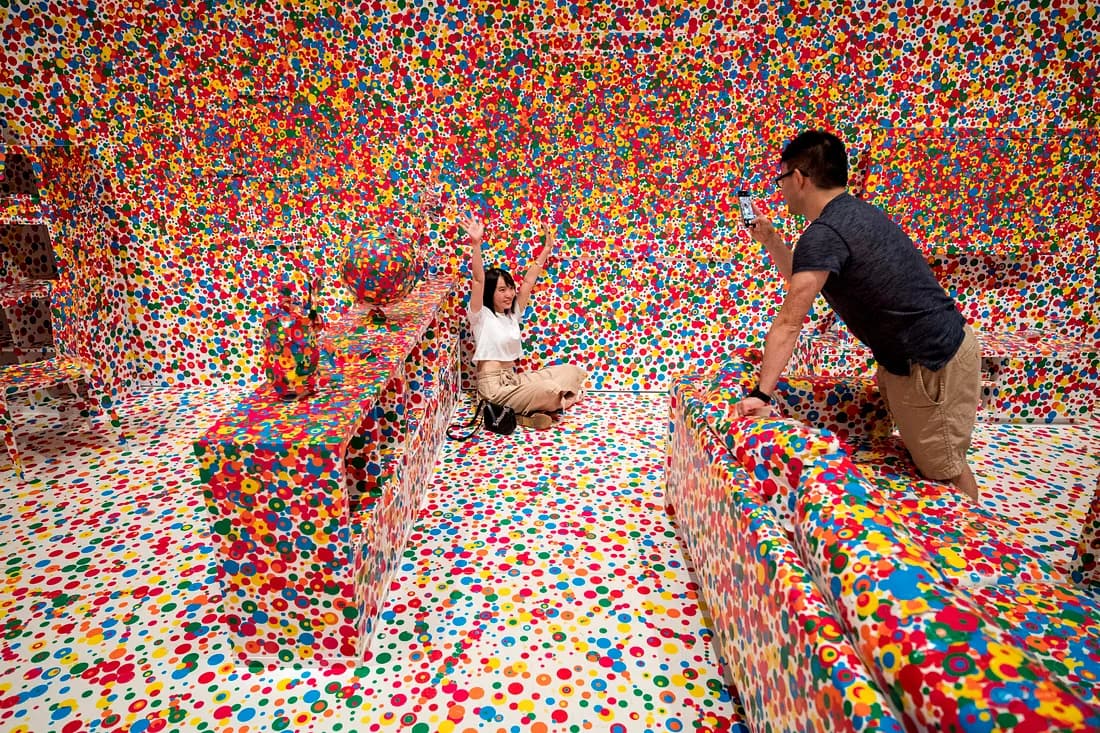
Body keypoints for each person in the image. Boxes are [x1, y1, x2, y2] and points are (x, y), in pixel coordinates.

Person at [734, 130, 982, 502]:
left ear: (799, 177)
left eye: (781, 178)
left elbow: (790, 320)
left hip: (931, 362)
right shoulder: (850, 214)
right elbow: (800, 280)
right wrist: (770, 238)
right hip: (918, 359)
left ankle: (976, 549)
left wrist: (761, 394)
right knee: (933, 462)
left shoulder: (826, 232)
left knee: (944, 471)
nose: (780, 188)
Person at [459, 213, 588, 430]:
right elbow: (479, 279)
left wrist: (546, 249)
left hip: (513, 380)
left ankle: (528, 411)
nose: (509, 294)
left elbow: (528, 281)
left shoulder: (512, 314)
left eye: (510, 288)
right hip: (493, 388)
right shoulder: (480, 315)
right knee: (548, 389)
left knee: (570, 371)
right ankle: (560, 402)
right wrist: (476, 243)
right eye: (502, 290)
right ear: (490, 293)